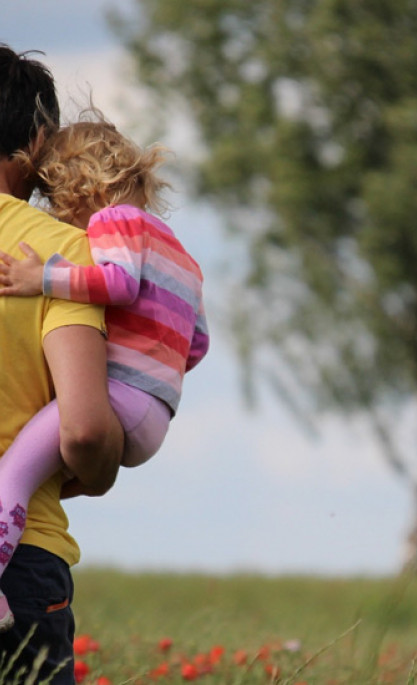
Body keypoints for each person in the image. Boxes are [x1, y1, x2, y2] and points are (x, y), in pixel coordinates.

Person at [0, 112, 210, 626]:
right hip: (153, 412)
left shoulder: (110, 223)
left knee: (10, 477)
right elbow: (197, 344)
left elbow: (118, 285)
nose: (54, 214)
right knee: (47, 468)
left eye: (55, 198)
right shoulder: (183, 256)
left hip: (118, 396)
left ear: (78, 188)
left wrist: (44, 276)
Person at [0, 45, 124, 682]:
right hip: (19, 558)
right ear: (37, 141)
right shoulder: (63, 254)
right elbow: (83, 430)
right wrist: (98, 471)